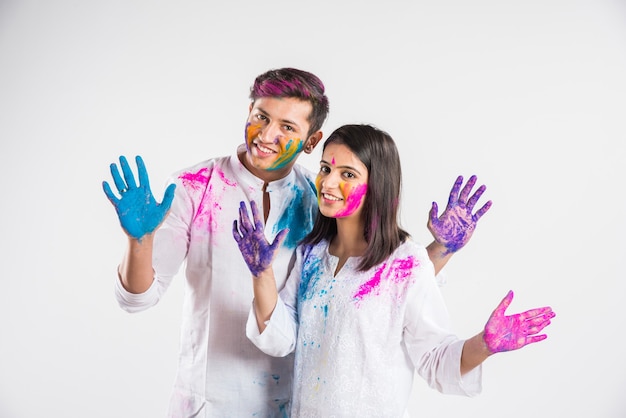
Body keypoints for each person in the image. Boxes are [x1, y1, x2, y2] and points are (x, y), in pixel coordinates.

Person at [102, 68, 491, 417]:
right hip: (209, 404)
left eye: (288, 126)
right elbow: (137, 298)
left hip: (293, 405)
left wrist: (440, 251)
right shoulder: (194, 187)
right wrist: (140, 241)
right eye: (261, 117)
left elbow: (369, 285)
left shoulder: (319, 198)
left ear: (312, 138)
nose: (269, 135)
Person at [233, 124, 555, 417]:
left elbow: (436, 359)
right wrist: (261, 273)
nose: (328, 182)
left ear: (377, 186)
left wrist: (484, 344)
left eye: (347, 174)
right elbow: (280, 339)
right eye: (325, 168)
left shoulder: (406, 263)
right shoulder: (311, 256)